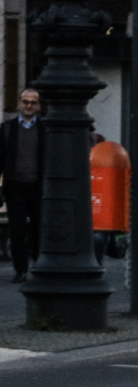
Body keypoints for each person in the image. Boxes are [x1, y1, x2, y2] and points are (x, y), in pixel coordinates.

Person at [0, 88, 46, 284]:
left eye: (33, 102)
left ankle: (38, 265)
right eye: (25, 101)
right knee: (17, 230)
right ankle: (21, 270)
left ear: (39, 106)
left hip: (38, 186)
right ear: (19, 104)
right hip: (15, 187)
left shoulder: (45, 129)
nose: (28, 105)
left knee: (39, 229)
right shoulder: (8, 128)